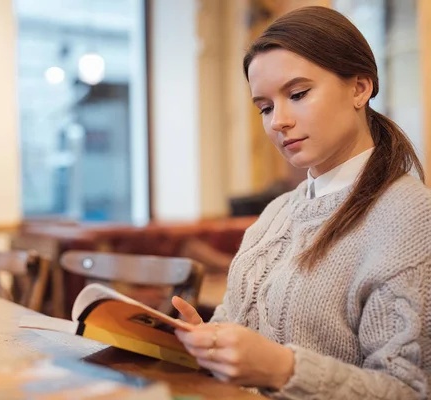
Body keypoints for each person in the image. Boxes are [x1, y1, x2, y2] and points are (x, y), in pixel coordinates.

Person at [171, 6, 431, 399]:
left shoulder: (411, 217)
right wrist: (206, 341)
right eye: (266, 107)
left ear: (360, 88)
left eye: (297, 94)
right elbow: (236, 328)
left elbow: (407, 390)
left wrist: (283, 369)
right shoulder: (276, 214)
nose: (279, 121)